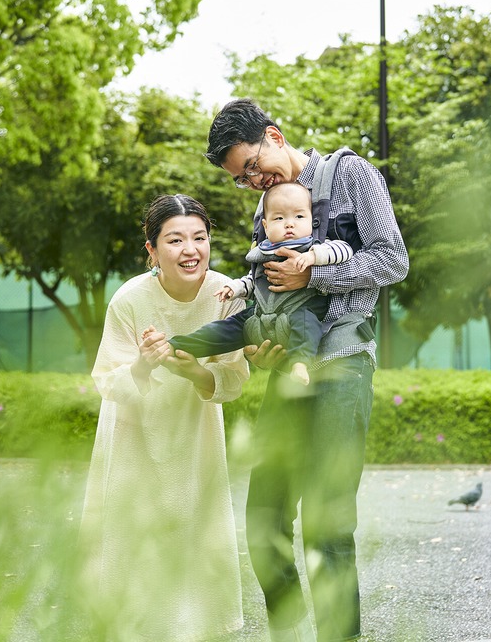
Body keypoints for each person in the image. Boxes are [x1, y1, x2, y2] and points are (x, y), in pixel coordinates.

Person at [203, 98, 408, 642]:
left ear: (274, 135)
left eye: (251, 166)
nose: (251, 182)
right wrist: (259, 342)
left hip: (342, 366)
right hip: (288, 373)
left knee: (328, 526)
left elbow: (393, 259)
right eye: (240, 178)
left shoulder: (352, 174)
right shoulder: (263, 210)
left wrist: (313, 275)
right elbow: (268, 296)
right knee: (263, 522)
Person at [77, 194, 249, 641]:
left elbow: (233, 381)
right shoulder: (130, 299)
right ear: (152, 250)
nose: (190, 249)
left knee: (196, 532)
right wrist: (143, 364)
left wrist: (192, 369)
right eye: (174, 240)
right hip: (133, 434)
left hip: (195, 433)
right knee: (133, 540)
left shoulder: (225, 294)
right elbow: (108, 383)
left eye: (199, 237)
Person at [167, 181, 354, 387]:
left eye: (299, 216)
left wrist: (313, 258)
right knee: (225, 329)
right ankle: (178, 346)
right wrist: (236, 288)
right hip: (260, 313)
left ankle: (300, 363)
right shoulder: (262, 251)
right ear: (266, 225)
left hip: (299, 310)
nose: (289, 224)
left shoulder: (316, 246)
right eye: (279, 218)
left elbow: (345, 249)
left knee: (306, 323)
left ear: (312, 219)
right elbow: (254, 281)